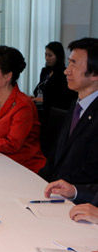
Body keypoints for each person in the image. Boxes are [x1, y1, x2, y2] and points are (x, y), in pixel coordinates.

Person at [39, 38, 98, 187]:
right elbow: (57, 154)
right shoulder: (75, 105)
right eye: (69, 62)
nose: (66, 71)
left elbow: (92, 169)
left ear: (95, 74)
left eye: (74, 65)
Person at [32, 41, 75, 111]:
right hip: (41, 108)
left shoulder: (64, 74)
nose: (46, 58)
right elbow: (38, 89)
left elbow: (64, 98)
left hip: (54, 111)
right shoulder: (45, 71)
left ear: (58, 56)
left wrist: (44, 100)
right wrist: (35, 97)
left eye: (50, 55)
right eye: (45, 55)